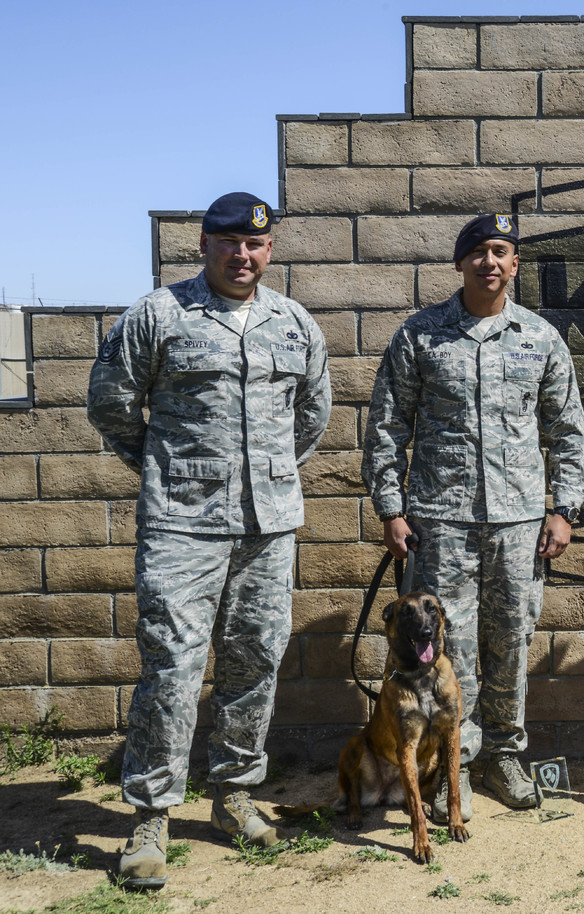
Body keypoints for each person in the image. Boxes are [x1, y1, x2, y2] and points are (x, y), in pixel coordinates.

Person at [87, 192, 331, 888]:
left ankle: (233, 797)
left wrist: (272, 476)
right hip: (181, 527)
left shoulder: (294, 323)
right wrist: (167, 470)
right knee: (172, 665)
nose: (242, 254)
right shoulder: (159, 315)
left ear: (271, 249)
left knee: (254, 660)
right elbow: (110, 401)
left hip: (268, 526)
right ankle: (150, 817)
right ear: (203, 245)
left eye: (255, 244)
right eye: (228, 242)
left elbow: (312, 414)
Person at [362, 213, 584, 818]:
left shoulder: (541, 338)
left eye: (501, 252)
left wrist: (564, 509)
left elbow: (569, 431)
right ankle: (449, 765)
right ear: (460, 263)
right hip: (440, 523)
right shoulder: (421, 335)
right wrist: (391, 508)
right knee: (443, 649)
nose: (490, 262)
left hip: (518, 523)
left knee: (510, 642)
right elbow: (386, 427)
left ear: (515, 264)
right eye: (479, 252)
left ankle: (504, 755)